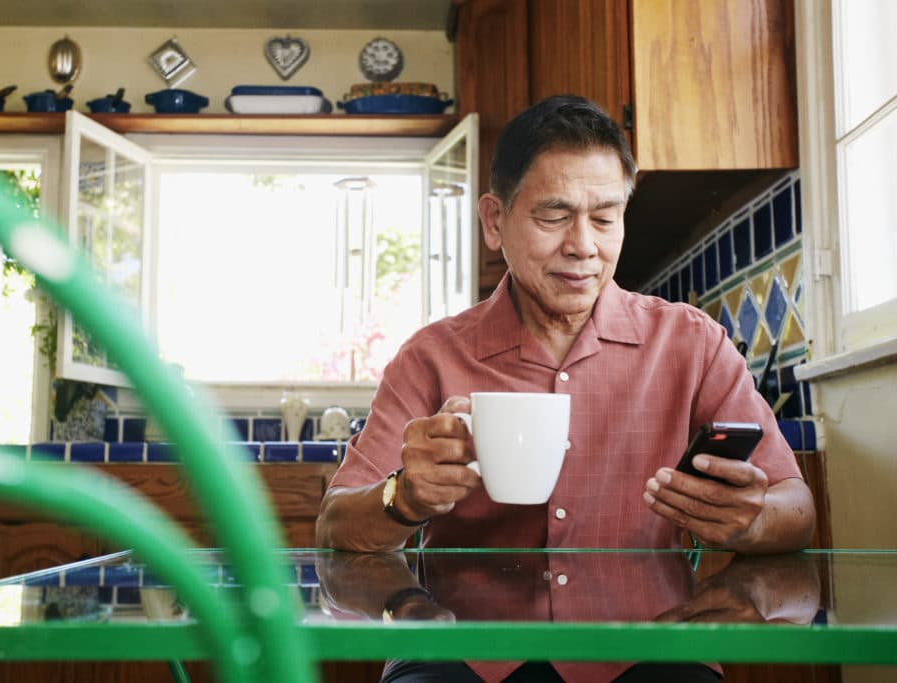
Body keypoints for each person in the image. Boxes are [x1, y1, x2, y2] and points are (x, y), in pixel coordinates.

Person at [315, 95, 815, 682]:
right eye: (555, 216)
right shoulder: (431, 357)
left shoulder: (693, 344)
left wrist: (750, 519)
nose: (584, 245)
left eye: (605, 217)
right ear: (495, 221)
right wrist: (405, 497)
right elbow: (334, 530)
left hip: (650, 650)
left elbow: (796, 507)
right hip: (462, 653)